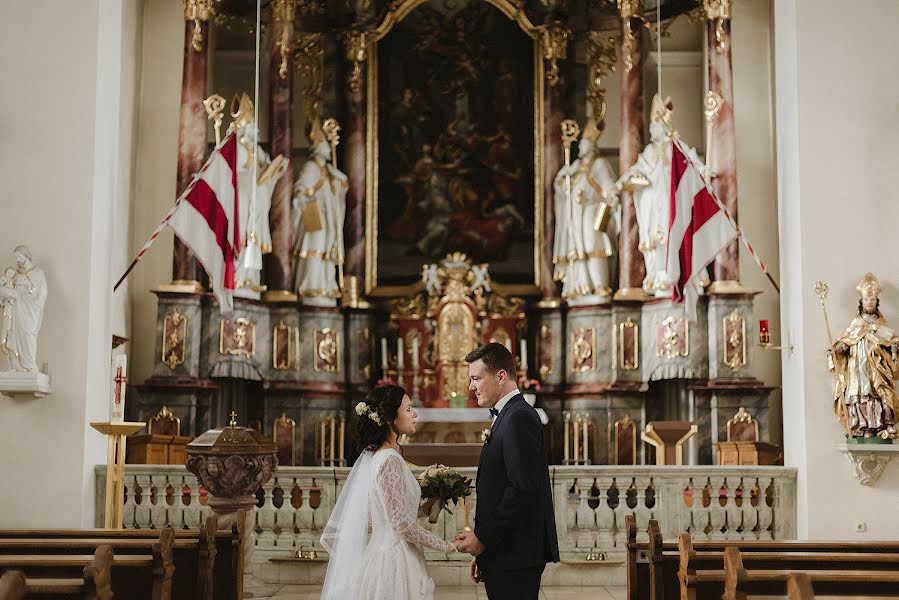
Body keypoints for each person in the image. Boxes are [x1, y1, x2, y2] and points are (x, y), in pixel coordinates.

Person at [320, 385, 462, 600]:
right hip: (395, 561)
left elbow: (380, 516)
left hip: (390, 551)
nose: (414, 414)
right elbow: (400, 524)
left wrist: (429, 502)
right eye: (408, 409)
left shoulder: (379, 456)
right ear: (389, 419)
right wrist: (446, 546)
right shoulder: (390, 460)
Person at [453, 343, 559, 600]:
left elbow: (521, 487)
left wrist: (483, 539)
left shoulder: (518, 417)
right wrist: (485, 551)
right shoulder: (509, 415)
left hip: (516, 554)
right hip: (505, 550)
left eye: (476, 378)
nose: (471, 387)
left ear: (501, 376)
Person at [830, 273, 899, 438]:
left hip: (877, 365)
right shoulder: (856, 323)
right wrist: (839, 349)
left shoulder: (881, 324)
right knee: (860, 394)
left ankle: (883, 424)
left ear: (877, 302)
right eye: (867, 300)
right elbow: (846, 339)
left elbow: (890, 340)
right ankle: (862, 426)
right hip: (857, 367)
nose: (870, 302)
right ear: (862, 302)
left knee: (879, 391)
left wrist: (894, 346)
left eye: (873, 300)